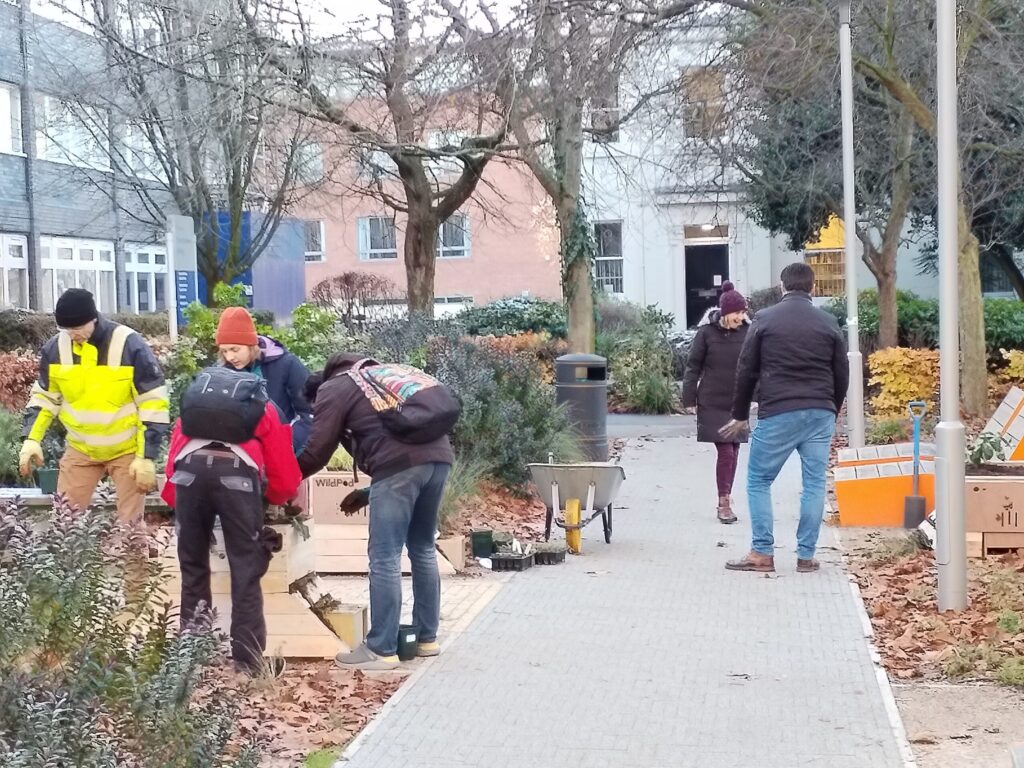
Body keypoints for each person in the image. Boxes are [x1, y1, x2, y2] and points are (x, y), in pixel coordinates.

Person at [298, 352, 453, 671]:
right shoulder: (383, 377)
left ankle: (381, 649)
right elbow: (406, 449)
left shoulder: (334, 388)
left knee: (384, 556)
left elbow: (316, 453)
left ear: (319, 389)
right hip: (439, 461)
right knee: (422, 547)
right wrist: (371, 491)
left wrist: (278, 481)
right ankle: (425, 638)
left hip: (398, 468)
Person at [161, 366, 301, 672]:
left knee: (193, 567)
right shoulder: (263, 407)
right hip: (238, 477)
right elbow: (282, 472)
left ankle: (191, 657)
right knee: (245, 570)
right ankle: (247, 662)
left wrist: (177, 502)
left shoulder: (197, 404)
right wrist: (278, 499)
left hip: (188, 475)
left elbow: (173, 461)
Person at [720, 262, 849, 573]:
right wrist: (833, 407)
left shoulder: (765, 320)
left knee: (759, 480)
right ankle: (806, 556)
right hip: (820, 412)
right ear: (813, 288)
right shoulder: (829, 322)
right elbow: (841, 372)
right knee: (815, 483)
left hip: (779, 410)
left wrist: (740, 414)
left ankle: (762, 553)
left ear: (782, 287)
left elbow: (746, 369)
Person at [20, 288, 168, 520]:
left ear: (94, 319)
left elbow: (153, 402)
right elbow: (45, 398)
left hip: (127, 450)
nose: (72, 335)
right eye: (66, 329)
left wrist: (146, 456)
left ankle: (131, 557)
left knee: (130, 530)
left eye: (78, 328)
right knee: (64, 523)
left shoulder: (129, 345)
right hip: (81, 449)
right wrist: (31, 439)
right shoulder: (55, 349)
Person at [681, 282, 750, 524]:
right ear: (725, 312)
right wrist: (689, 398)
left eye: (744, 313)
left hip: (738, 402)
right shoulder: (706, 333)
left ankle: (726, 495)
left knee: (735, 450)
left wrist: (756, 397)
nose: (741, 318)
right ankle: (723, 503)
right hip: (712, 400)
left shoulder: (747, 333)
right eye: (738, 313)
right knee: (727, 452)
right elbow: (693, 366)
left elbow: (756, 367)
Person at [215, 306, 313, 453]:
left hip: (286, 453)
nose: (229, 357)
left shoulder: (287, 364)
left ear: (251, 345)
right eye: (224, 351)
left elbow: (309, 414)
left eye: (235, 350)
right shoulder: (219, 372)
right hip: (237, 459)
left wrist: (285, 446)